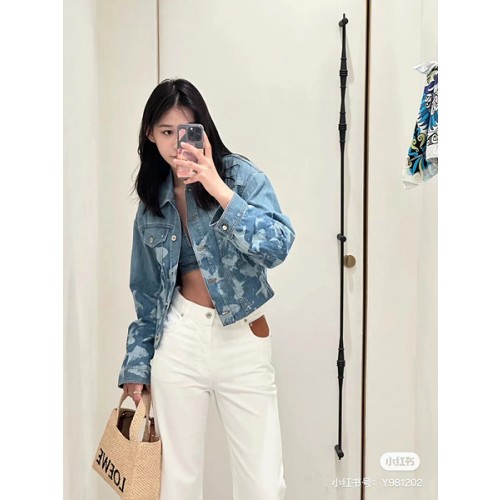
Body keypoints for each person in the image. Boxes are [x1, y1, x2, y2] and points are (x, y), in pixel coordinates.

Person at [118, 78, 295, 500]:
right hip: (179, 337)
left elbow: (278, 246)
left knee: (263, 484)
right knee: (176, 482)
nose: (176, 142)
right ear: (150, 134)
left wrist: (216, 185)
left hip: (242, 337)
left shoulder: (239, 176)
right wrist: (136, 368)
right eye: (165, 131)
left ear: (202, 129)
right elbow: (147, 293)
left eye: (186, 130)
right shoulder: (152, 200)